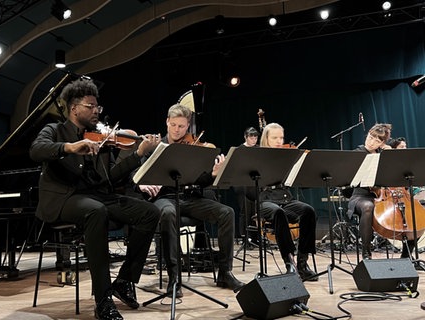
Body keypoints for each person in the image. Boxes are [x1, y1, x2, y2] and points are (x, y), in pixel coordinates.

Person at [29, 78, 161, 320]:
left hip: (95, 196)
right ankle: (103, 299)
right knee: (96, 211)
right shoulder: (55, 130)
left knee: (149, 212)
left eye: (97, 107)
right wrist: (70, 147)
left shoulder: (98, 138)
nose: (96, 111)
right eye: (91, 106)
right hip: (64, 199)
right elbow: (36, 150)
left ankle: (124, 281)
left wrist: (138, 154)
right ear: (74, 108)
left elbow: (108, 178)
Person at [136, 103, 245, 298]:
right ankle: (173, 277)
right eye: (174, 125)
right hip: (165, 199)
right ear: (167, 122)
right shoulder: (154, 147)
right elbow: (138, 175)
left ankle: (225, 272)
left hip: (191, 199)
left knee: (227, 212)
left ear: (188, 127)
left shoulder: (192, 148)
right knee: (168, 213)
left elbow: (199, 180)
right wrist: (142, 185)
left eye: (182, 126)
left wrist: (212, 174)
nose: (178, 130)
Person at [258, 122, 318, 281]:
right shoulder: (257, 156)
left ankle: (303, 263)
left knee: (308, 210)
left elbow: (298, 182)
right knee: (278, 212)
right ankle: (289, 262)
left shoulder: (287, 156)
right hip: (265, 201)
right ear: (266, 139)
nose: (279, 141)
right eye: (275, 138)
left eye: (281, 137)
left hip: (285, 198)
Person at [346, 123, 392, 260]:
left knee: (407, 210)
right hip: (360, 196)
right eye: (371, 137)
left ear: (382, 143)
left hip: (382, 196)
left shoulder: (383, 154)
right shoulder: (357, 153)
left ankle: (406, 254)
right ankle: (366, 253)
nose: (371, 142)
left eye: (377, 140)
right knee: (368, 207)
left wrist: (391, 155)